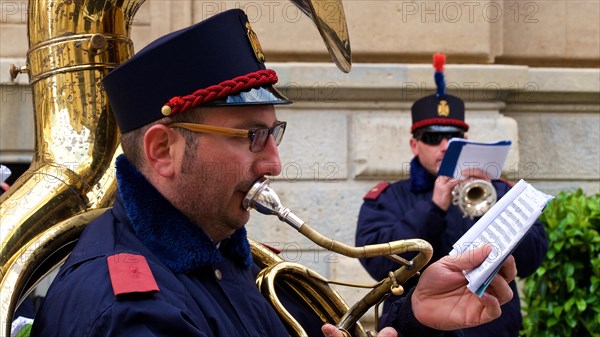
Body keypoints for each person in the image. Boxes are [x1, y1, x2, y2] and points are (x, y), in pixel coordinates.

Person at [30, 11, 517, 337]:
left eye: (272, 134)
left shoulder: (219, 257)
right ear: (163, 149)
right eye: (249, 137)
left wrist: (416, 316)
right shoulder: (128, 308)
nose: (274, 165)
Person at [355, 54, 548, 337]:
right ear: (414, 144)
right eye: (433, 138)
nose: (445, 146)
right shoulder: (388, 197)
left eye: (453, 136)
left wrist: (496, 205)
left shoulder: (499, 190)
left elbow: (532, 260)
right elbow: (380, 266)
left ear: (466, 141)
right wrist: (433, 208)